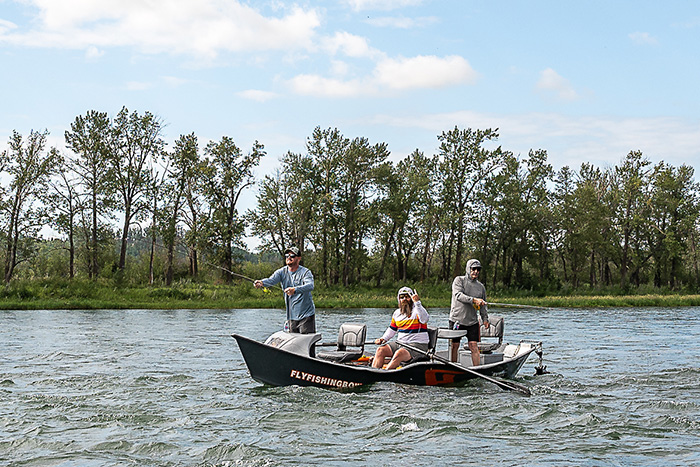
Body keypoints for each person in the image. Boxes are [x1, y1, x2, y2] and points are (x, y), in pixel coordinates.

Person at [254, 246, 316, 334]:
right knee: (293, 344)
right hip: (291, 316)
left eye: (292, 256)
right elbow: (271, 280)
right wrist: (261, 283)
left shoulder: (305, 272)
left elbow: (310, 286)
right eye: (287, 255)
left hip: (306, 316)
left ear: (298, 259)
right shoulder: (281, 272)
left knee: (306, 343)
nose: (289, 257)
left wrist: (295, 289)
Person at [372, 286, 430, 370]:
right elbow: (392, 329)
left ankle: (385, 375)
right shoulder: (396, 313)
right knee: (380, 350)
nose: (404, 299)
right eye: (402, 297)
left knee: (399, 353)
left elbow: (425, 319)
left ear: (411, 298)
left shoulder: (418, 310)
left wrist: (417, 302)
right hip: (401, 343)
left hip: (417, 345)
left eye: (407, 297)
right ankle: (373, 373)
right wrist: (382, 339)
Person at [449, 258, 489, 366]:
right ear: (468, 269)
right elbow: (458, 295)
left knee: (473, 345)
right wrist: (474, 300)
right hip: (457, 320)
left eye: (478, 269)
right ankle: (453, 366)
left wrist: (485, 319)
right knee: (455, 345)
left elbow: (483, 305)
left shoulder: (481, 287)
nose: (476, 271)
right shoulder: (459, 280)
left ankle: (477, 368)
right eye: (473, 269)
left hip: (472, 322)